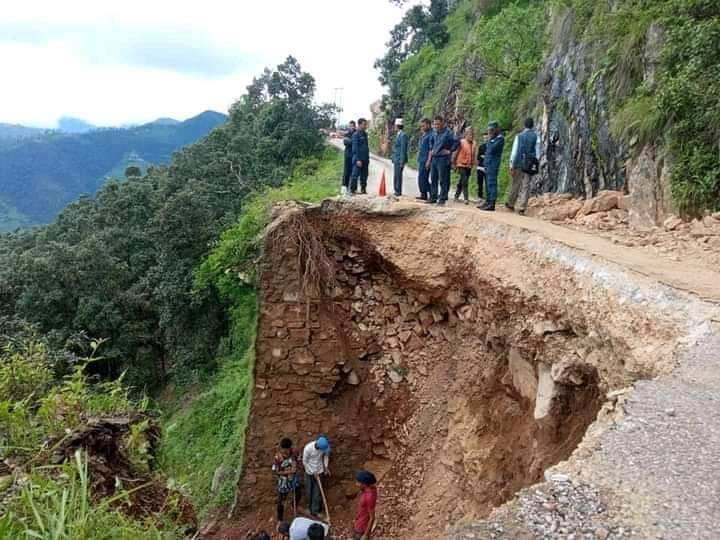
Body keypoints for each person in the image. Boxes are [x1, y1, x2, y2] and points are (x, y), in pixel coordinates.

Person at [507, 117, 542, 215]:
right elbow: (538, 151)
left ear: (524, 125)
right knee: (526, 185)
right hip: (529, 163)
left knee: (516, 184)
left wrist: (511, 164)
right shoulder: (536, 136)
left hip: (518, 162)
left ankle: (511, 204)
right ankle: (522, 207)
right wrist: (536, 161)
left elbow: (514, 151)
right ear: (532, 125)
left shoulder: (519, 136)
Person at [426, 115, 459, 205]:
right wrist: (429, 159)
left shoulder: (448, 133)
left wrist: (449, 151)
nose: (436, 126)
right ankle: (433, 197)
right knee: (433, 178)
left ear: (442, 123)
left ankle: (442, 198)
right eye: (435, 124)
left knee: (443, 179)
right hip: (435, 158)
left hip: (443, 159)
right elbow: (431, 145)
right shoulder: (434, 133)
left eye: (438, 124)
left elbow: (456, 142)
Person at [272, 437, 302, 522]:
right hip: (284, 482)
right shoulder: (277, 458)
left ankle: (294, 505)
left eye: (287, 450)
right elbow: (276, 471)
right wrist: (287, 472)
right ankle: (280, 519)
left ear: (290, 448)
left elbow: (299, 461)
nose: (285, 452)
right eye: (283, 450)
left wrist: (296, 467)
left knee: (298, 493)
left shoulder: (295, 452)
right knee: (281, 501)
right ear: (281, 448)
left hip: (294, 479)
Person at [478, 121, 505, 211]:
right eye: (489, 130)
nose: (490, 132)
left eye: (492, 130)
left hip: (493, 165)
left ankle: (492, 203)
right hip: (487, 164)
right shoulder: (492, 139)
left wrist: (490, 140)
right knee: (487, 184)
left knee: (492, 183)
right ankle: (488, 201)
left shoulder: (500, 139)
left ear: (496, 129)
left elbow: (492, 149)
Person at [302, 436, 331, 517]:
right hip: (309, 473)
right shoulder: (308, 448)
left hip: (320, 471)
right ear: (318, 446)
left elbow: (326, 456)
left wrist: (325, 467)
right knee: (309, 491)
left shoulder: (324, 447)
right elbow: (305, 462)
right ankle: (309, 509)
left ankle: (315, 511)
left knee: (317, 492)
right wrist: (312, 472)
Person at [453, 127, 476, 205]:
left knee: (462, 181)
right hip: (461, 164)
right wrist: (453, 163)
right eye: (469, 134)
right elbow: (456, 152)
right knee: (465, 181)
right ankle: (466, 198)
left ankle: (456, 196)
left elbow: (473, 155)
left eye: (472, 134)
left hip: (469, 166)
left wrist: (474, 164)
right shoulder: (461, 142)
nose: (471, 136)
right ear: (465, 135)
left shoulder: (474, 143)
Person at [353, 470, 378, 540]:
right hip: (359, 522)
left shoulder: (369, 496)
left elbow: (372, 517)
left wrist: (366, 535)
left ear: (364, 484)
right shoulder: (370, 489)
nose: (356, 484)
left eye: (358, 482)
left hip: (361, 527)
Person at [350, 119, 370, 195]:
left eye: (366, 124)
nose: (365, 126)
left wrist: (367, 159)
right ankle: (353, 190)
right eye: (364, 124)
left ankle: (363, 189)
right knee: (355, 175)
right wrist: (358, 160)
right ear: (359, 125)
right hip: (358, 160)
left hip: (365, 159)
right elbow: (355, 148)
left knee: (364, 176)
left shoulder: (365, 134)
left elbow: (366, 147)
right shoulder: (355, 135)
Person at [416, 118, 433, 201]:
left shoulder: (431, 135)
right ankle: (423, 194)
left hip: (426, 160)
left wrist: (428, 161)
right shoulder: (424, 134)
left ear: (429, 125)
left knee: (423, 178)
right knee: (421, 178)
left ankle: (432, 193)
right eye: (421, 126)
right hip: (422, 159)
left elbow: (431, 149)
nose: (422, 127)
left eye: (424, 126)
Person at [391, 118, 409, 197]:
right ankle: (396, 190)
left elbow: (403, 149)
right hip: (396, 159)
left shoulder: (403, 135)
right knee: (396, 175)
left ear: (397, 126)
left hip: (399, 159)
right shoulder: (398, 134)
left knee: (398, 176)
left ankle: (398, 191)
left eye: (395, 126)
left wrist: (402, 161)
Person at [342, 121, 357, 192]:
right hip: (348, 156)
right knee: (346, 172)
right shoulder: (347, 134)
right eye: (350, 126)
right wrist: (353, 142)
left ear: (355, 126)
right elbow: (346, 142)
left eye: (352, 126)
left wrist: (352, 141)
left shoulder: (357, 133)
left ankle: (353, 189)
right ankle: (344, 188)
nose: (351, 127)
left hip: (355, 156)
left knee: (354, 173)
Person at [476, 132, 489, 201]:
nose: (485, 139)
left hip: (487, 167)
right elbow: (478, 157)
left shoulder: (490, 146)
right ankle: (480, 196)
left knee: (487, 183)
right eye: (484, 138)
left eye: (486, 138)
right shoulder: (481, 146)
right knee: (480, 183)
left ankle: (488, 197)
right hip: (480, 167)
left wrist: (484, 157)